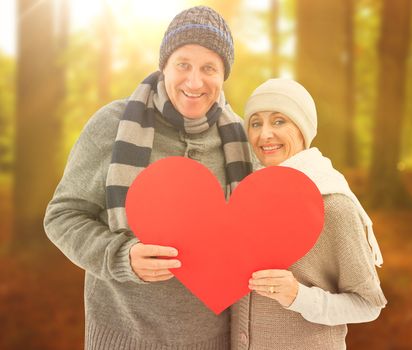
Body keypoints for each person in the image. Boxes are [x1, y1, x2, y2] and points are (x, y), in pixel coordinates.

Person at [43, 6, 253, 349]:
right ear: (164, 66)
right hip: (124, 336)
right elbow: (62, 216)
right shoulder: (112, 125)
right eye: (183, 64)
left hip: (213, 339)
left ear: (223, 75)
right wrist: (121, 256)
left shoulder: (241, 142)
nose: (195, 81)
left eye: (209, 68)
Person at [232, 78, 386, 349]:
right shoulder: (243, 197)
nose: (264, 134)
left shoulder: (333, 204)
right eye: (256, 123)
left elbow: (368, 304)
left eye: (279, 121)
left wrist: (297, 296)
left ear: (302, 128)